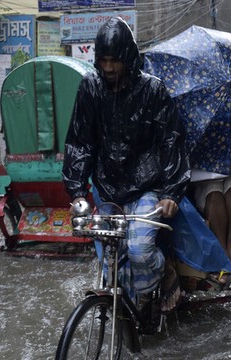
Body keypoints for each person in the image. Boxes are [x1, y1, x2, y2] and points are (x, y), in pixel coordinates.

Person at [62, 18, 190, 313]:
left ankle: (165, 274)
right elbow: (80, 142)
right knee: (113, 264)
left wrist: (171, 193)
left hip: (147, 187)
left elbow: (170, 141)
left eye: (115, 61)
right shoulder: (90, 88)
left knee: (140, 252)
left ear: (128, 58)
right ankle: (127, 316)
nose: (108, 68)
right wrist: (77, 192)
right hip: (107, 188)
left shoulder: (153, 90)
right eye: (103, 60)